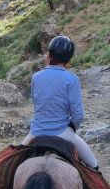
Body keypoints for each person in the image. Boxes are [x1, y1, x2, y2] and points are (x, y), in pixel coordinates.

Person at [22, 35, 99, 170]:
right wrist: (72, 126)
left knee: (15, 162)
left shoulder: (36, 77)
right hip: (63, 132)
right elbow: (78, 115)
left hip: (36, 133)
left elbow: (36, 102)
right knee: (94, 166)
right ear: (68, 59)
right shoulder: (72, 79)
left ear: (49, 55)